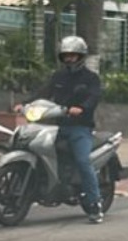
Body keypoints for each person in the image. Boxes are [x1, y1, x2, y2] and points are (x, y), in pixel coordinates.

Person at [20, 36, 105, 223]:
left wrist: (82, 108)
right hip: (55, 125)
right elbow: (43, 92)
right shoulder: (58, 76)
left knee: (83, 161)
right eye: (66, 56)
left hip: (79, 128)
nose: (69, 59)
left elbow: (94, 97)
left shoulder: (91, 78)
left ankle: (94, 204)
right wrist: (24, 104)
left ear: (81, 56)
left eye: (73, 56)